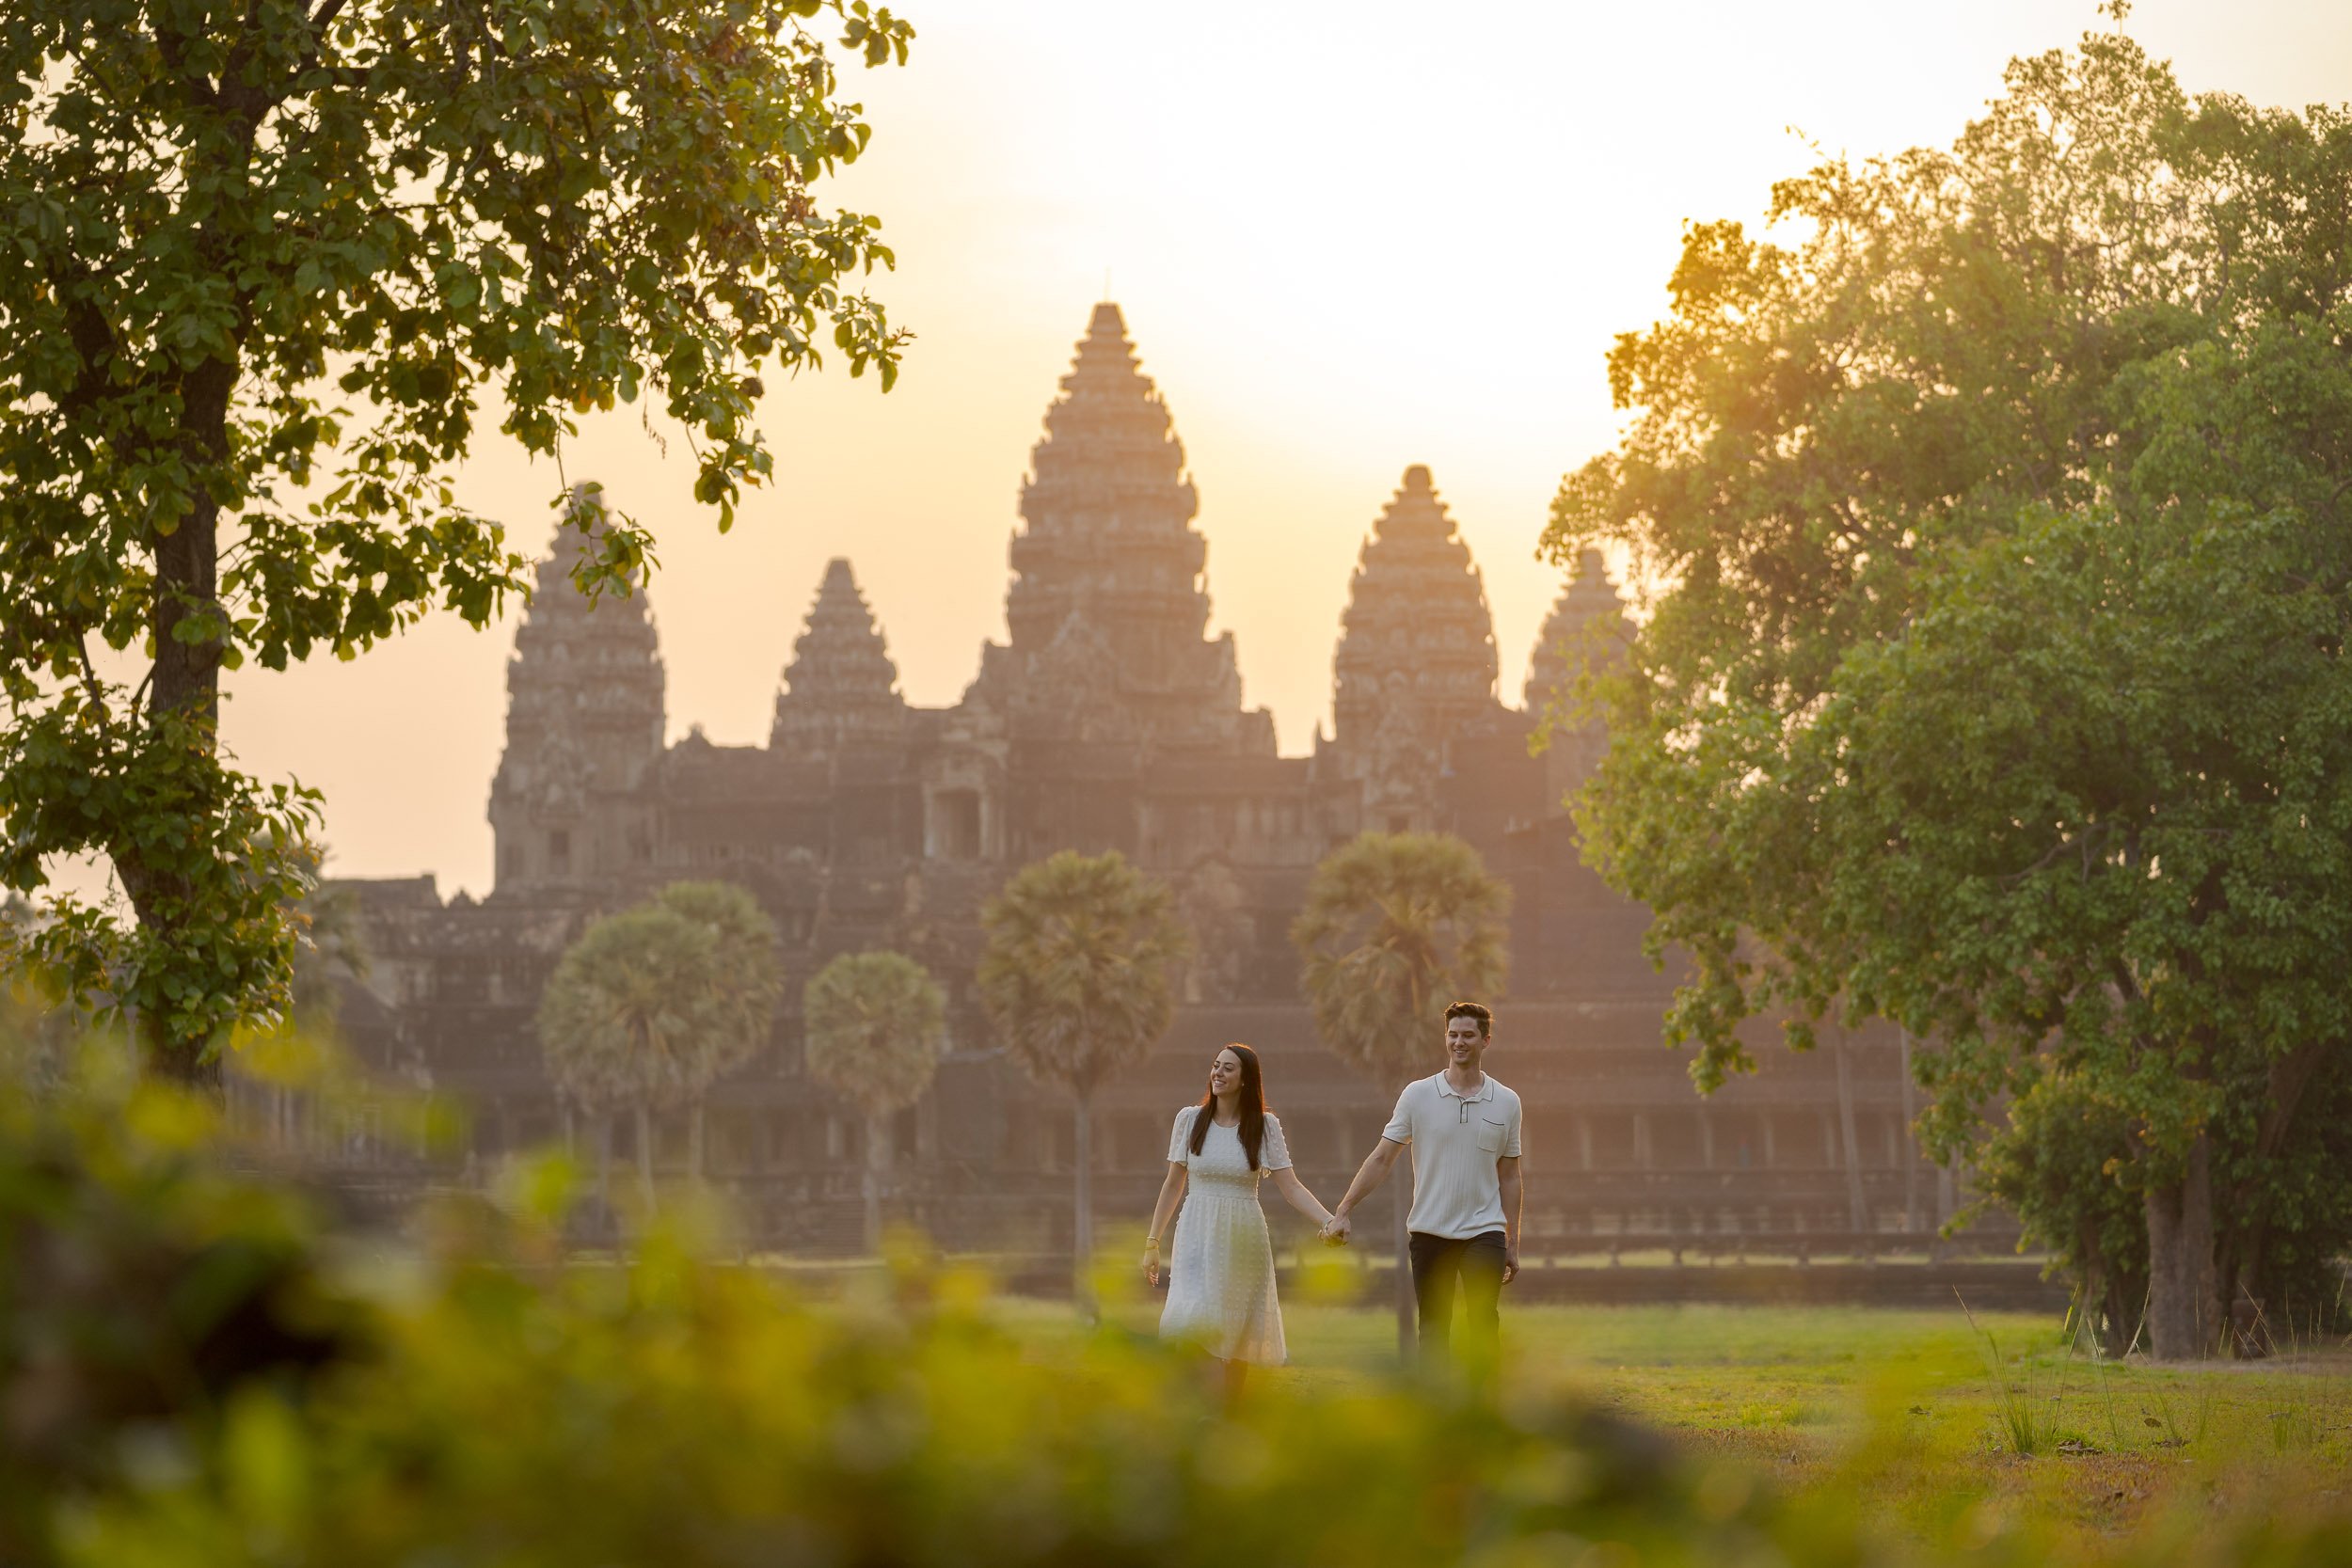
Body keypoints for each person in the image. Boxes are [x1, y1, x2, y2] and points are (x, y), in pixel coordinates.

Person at [1322, 1001, 1522, 1370]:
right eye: (1453, 1035)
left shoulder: (1507, 1102)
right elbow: (1382, 1158)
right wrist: (1344, 1209)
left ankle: (1483, 1399)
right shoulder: (1418, 1095)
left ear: (1485, 1040)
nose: (1459, 1042)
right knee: (1433, 1327)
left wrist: (1513, 1242)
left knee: (1482, 1321)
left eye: (1468, 1035)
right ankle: (1437, 1397)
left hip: (1485, 1230)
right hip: (1430, 1231)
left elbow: (1510, 1176)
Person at [1143, 1043, 1336, 1400]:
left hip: (1243, 1237)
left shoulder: (1263, 1126)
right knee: (1191, 1321)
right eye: (1215, 1065)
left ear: (1246, 1079)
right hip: (1196, 1235)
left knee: (1235, 1333)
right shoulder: (1189, 1120)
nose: (1218, 1073)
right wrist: (1152, 1242)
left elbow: (1291, 1186)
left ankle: (1229, 1412)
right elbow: (1173, 1185)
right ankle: (1206, 1408)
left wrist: (1328, 1220)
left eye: (1228, 1068)